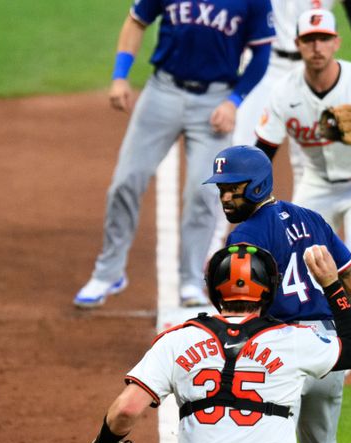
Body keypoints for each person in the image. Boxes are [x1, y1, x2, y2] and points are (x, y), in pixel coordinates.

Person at [86, 242, 351, 443]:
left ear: (213, 289)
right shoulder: (293, 340)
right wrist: (332, 284)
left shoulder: (177, 341)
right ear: (269, 289)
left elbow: (126, 409)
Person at [204, 145, 351, 443]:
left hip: (281, 357)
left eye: (233, 188)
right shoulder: (313, 219)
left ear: (257, 186)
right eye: (221, 189)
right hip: (329, 351)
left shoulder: (246, 236)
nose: (225, 197)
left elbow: (232, 302)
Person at [73, 0, 275, 309]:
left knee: (204, 192)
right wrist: (119, 76)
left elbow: (262, 53)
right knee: (125, 181)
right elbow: (136, 21)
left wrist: (234, 101)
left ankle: (191, 279)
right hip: (161, 93)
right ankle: (108, 272)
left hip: (215, 100)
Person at [254, 8, 351, 395]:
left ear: (337, 43)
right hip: (317, 185)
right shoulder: (285, 92)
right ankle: (308, 353)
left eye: (324, 39)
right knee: (298, 261)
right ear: (299, 45)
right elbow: (264, 151)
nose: (317, 47)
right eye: (309, 40)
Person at [233, 0, 351, 183]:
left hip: (312, 66)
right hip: (264, 61)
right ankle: (235, 209)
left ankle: (311, 210)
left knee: (314, 158)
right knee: (243, 152)